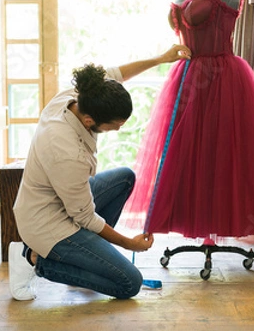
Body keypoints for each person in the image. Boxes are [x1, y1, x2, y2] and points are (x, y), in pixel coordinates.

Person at [122, 0, 254, 242]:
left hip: (221, 80)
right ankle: (194, 224)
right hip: (185, 79)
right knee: (186, 158)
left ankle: (220, 225)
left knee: (221, 156)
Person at [10, 43, 191, 301]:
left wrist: (162, 58)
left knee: (124, 177)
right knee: (129, 283)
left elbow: (117, 74)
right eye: (115, 125)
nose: (119, 129)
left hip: (65, 202)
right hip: (48, 222)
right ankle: (33, 258)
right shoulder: (65, 151)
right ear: (89, 121)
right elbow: (86, 217)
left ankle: (88, 259)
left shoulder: (82, 95)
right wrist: (130, 244)